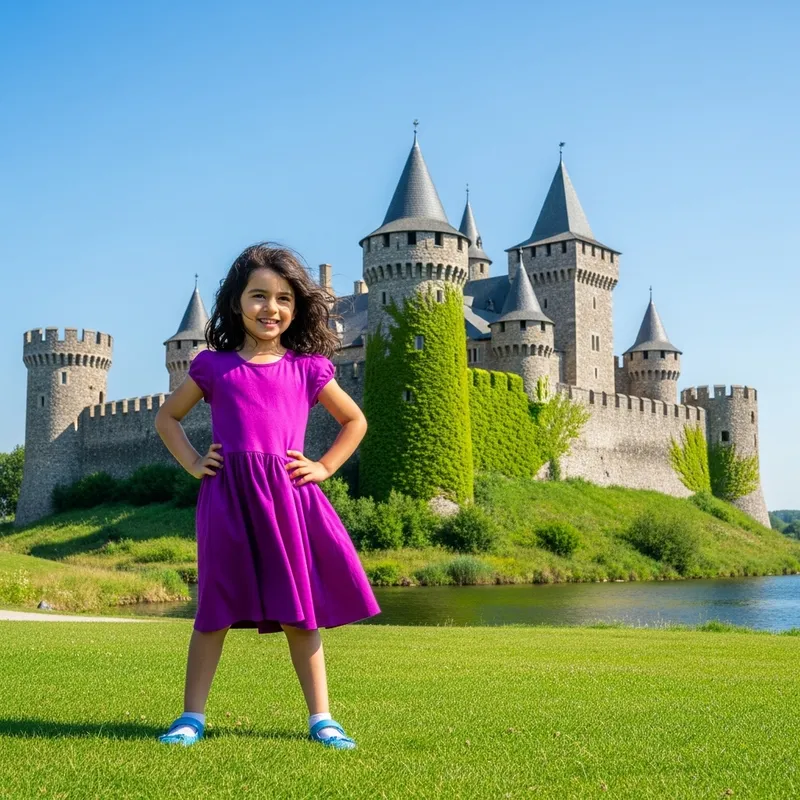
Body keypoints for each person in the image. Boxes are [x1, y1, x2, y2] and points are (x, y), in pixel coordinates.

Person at [154, 243, 380, 750]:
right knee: (214, 608)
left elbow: (355, 420)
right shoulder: (212, 367)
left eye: (282, 298)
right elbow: (167, 419)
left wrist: (322, 466)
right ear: (237, 302)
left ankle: (322, 718)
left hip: (287, 500)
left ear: (296, 307)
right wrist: (194, 463)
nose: (270, 308)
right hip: (227, 499)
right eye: (258, 296)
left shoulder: (307, 368)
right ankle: (191, 717)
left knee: (299, 611)